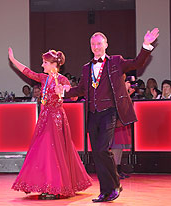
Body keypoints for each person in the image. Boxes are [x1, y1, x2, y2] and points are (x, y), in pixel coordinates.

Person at [55, 28, 159, 202]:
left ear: (106, 45)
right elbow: (81, 89)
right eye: (93, 44)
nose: (96, 47)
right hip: (93, 114)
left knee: (103, 148)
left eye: (99, 43)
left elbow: (137, 63)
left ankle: (114, 186)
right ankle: (106, 190)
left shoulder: (116, 62)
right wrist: (65, 91)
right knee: (97, 153)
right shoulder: (87, 68)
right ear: (90, 46)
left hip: (110, 112)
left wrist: (146, 45)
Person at [8, 48, 92, 199]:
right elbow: (28, 72)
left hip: (56, 118)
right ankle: (48, 184)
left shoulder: (62, 80)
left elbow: (73, 97)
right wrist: (13, 61)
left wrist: (65, 90)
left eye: (45, 62)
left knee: (53, 151)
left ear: (54, 64)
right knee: (44, 151)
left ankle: (55, 186)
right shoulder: (43, 78)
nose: (42, 65)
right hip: (44, 118)